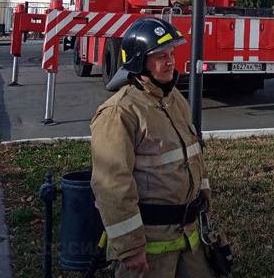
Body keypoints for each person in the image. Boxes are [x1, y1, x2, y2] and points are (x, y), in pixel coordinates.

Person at [90, 17, 218, 278]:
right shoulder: (119, 112)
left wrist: (204, 205)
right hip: (149, 246)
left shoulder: (174, 99)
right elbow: (112, 185)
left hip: (190, 236)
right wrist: (130, 246)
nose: (170, 61)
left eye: (171, 53)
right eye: (160, 56)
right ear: (138, 62)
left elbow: (194, 153)